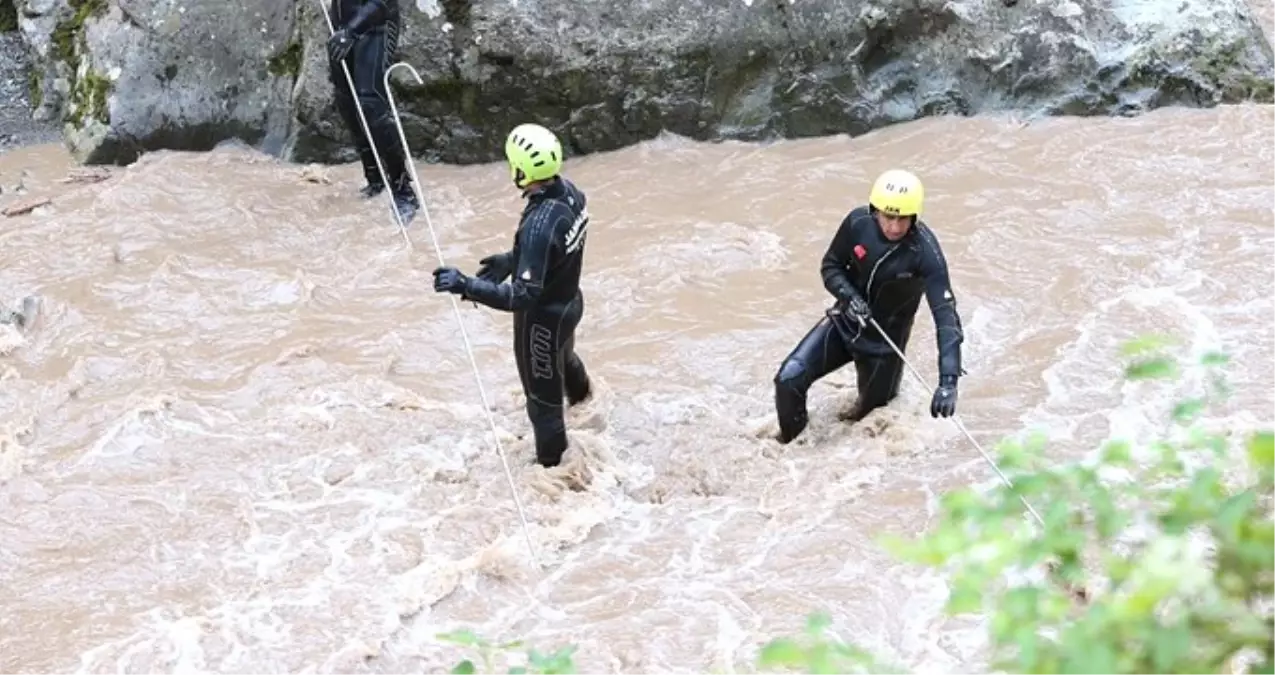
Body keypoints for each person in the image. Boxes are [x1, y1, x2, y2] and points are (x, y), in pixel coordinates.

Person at [431, 123, 593, 468]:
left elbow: (522, 297)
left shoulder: (536, 226)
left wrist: (465, 285)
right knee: (566, 361)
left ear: (521, 170)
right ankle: (587, 405)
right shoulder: (571, 194)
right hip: (569, 305)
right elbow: (558, 248)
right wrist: (511, 260)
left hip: (542, 326)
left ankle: (556, 479)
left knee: (543, 408)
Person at [772, 169, 965, 444]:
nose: (895, 227)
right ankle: (791, 450)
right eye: (889, 216)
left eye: (904, 218)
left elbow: (946, 318)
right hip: (844, 321)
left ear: (915, 216)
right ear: (875, 210)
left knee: (866, 426)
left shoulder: (925, 253)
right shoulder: (857, 223)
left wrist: (948, 381)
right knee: (788, 379)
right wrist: (851, 298)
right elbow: (831, 267)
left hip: (885, 346)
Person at [325, 0, 419, 223]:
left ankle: (402, 188)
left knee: (371, 103)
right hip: (341, 23)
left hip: (376, 26)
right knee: (346, 101)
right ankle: (374, 178)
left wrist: (353, 30)